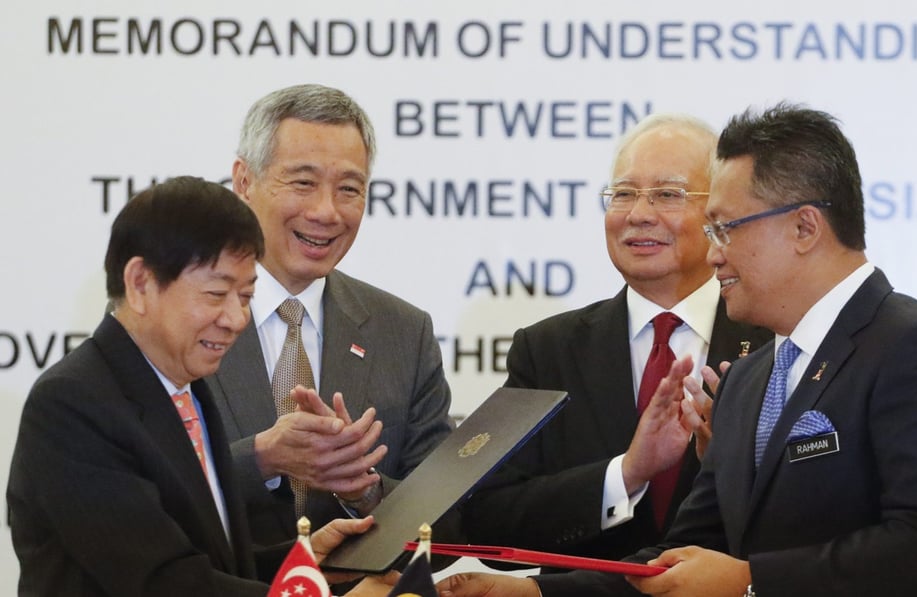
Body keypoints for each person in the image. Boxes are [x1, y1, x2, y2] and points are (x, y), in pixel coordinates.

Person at [438, 103, 917, 597]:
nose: (714, 254)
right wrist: (537, 595)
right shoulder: (753, 377)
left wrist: (751, 582)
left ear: (804, 227)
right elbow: (682, 556)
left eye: (726, 229)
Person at [6, 176, 396, 596]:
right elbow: (161, 582)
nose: (235, 319)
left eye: (245, 297)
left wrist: (302, 562)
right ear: (140, 283)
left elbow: (207, 557)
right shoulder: (73, 404)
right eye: (216, 294)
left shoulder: (186, 388)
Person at [460, 113, 771, 564]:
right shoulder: (548, 351)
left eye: (668, 194)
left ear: (720, 214)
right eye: (623, 194)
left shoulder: (774, 340)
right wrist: (624, 475)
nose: (639, 215)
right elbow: (486, 523)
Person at [206, 84, 454, 569]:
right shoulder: (182, 317)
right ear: (244, 181)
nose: (326, 212)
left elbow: (446, 527)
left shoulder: (404, 332)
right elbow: (134, 488)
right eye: (302, 182)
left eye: (349, 189)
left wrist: (366, 490)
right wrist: (261, 458)